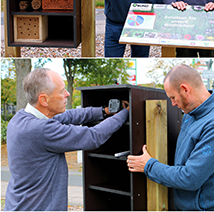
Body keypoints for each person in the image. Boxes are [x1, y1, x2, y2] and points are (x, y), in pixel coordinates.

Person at [4, 68, 129, 211]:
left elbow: (69, 116)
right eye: (62, 91)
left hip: (16, 205)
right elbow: (93, 136)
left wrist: (104, 111)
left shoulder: (20, 119)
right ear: (44, 99)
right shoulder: (42, 129)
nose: (67, 94)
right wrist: (126, 113)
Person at [127, 64, 214, 211]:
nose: (173, 103)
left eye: (173, 97)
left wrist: (148, 165)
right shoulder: (190, 113)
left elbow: (191, 178)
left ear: (185, 89)